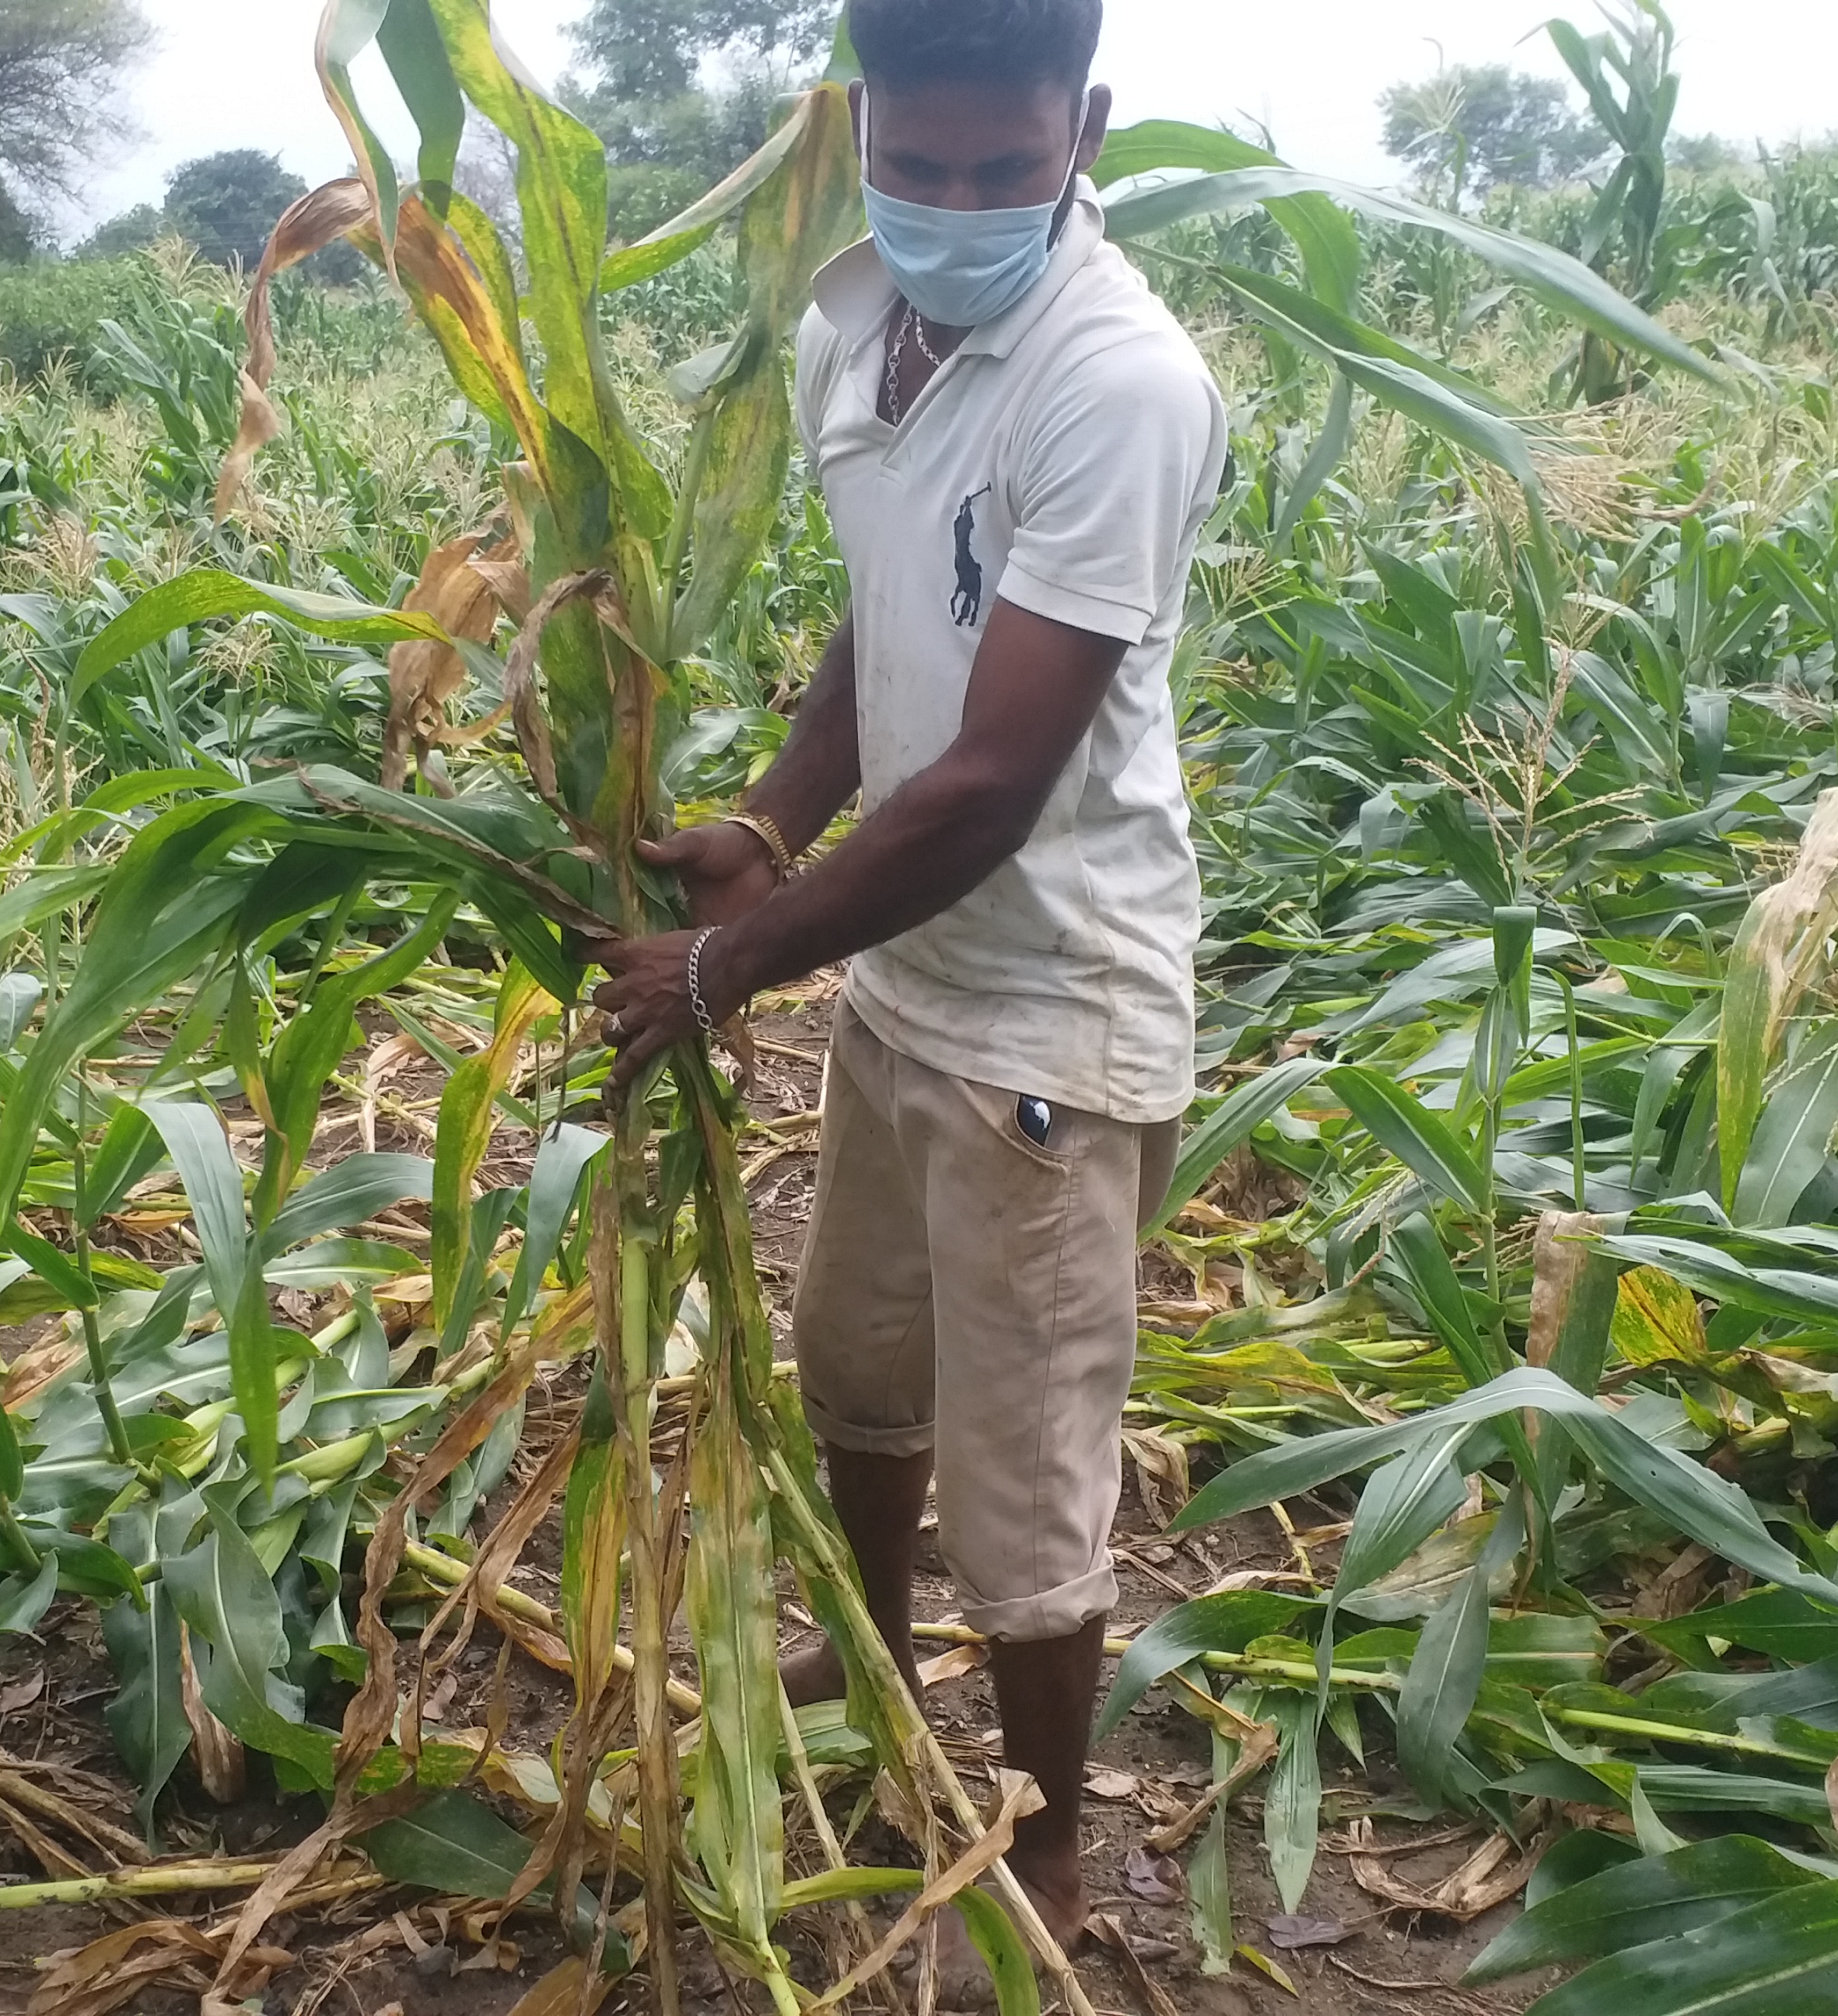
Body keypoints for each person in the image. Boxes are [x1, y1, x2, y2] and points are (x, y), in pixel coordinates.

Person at [586, 0, 1226, 1966]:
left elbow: (989, 787)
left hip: (1049, 1000)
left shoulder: (1118, 381)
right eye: (919, 164)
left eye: (1001, 169)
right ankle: (881, 1706)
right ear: (862, 127)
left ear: (1084, 128)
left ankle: (1038, 1849)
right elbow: (888, 633)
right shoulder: (857, 323)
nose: (953, 206)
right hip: (897, 975)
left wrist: (722, 964)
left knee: (1023, 1481)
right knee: (857, 1378)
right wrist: (772, 830)